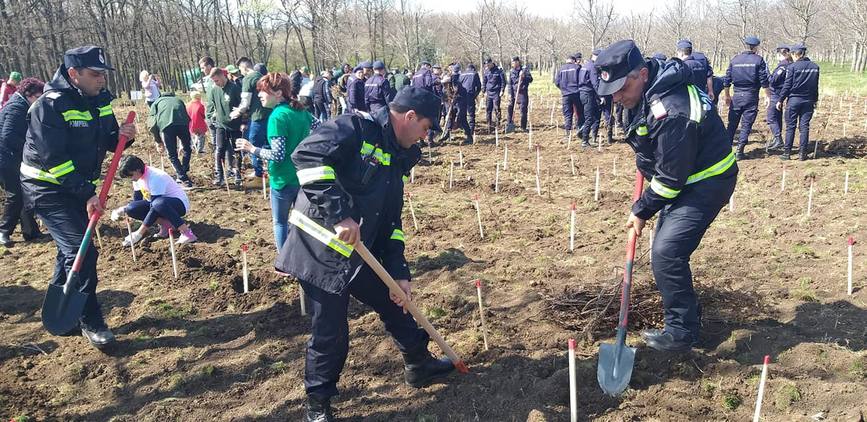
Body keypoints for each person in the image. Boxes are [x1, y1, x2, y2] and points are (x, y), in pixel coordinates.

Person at [274, 87, 453, 421]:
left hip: (360, 250)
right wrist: (338, 213)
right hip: (319, 249)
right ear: (410, 117)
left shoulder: (397, 155)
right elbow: (307, 156)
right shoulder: (354, 128)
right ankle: (318, 404)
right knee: (331, 332)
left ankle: (418, 364)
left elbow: (391, 220)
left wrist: (399, 271)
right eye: (426, 128)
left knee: (396, 299)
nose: (425, 137)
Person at [596, 39, 737, 352]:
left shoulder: (672, 112)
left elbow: (672, 180)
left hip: (706, 182)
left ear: (642, 74)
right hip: (684, 176)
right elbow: (653, 146)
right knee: (667, 251)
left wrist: (641, 209)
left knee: (667, 253)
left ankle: (682, 333)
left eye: (622, 88)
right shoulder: (650, 91)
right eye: (612, 91)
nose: (617, 97)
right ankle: (688, 315)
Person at [21, 46, 137, 347]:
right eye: (95, 74)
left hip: (78, 185)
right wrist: (87, 193)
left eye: (103, 74)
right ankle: (90, 320)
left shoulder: (99, 101)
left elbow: (111, 141)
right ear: (73, 74)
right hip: (46, 187)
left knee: (69, 249)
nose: (102, 80)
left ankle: (65, 310)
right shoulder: (49, 105)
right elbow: (53, 158)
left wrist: (125, 135)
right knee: (82, 252)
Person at [235, 72, 314, 249]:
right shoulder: (301, 111)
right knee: (301, 221)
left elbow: (278, 155)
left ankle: (284, 263)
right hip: (302, 176)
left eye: (263, 91)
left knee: (280, 222)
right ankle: (300, 256)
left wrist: (252, 149)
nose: (259, 95)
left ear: (278, 93)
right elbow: (319, 129)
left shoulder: (278, 117)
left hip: (282, 179)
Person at [111, 155, 196, 245]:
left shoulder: (155, 177)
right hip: (158, 204)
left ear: (137, 170)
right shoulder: (138, 178)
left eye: (131, 175)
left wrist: (139, 233)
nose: (131, 179)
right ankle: (167, 225)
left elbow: (155, 207)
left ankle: (187, 233)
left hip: (179, 205)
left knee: (158, 203)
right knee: (131, 208)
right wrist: (123, 210)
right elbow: (137, 201)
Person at [0, 77, 45, 246]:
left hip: (13, 158)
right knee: (15, 195)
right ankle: (4, 231)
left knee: (25, 194)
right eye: (38, 97)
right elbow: (8, 136)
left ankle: (30, 232)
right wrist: (30, 149)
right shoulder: (16, 108)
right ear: (29, 94)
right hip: (5, 159)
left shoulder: (21, 105)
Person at [723, 36, 770, 160]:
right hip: (751, 95)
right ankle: (739, 151)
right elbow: (763, 80)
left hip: (737, 95)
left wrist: (727, 95)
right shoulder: (758, 60)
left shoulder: (735, 60)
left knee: (732, 124)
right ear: (755, 47)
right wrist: (767, 95)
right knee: (746, 125)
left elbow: (727, 80)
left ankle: (726, 151)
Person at [776, 43, 820, 161]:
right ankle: (802, 153)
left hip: (794, 100)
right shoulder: (815, 67)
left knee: (790, 126)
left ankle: (787, 152)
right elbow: (815, 86)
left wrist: (780, 99)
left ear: (796, 54)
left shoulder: (792, 67)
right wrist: (815, 100)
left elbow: (787, 85)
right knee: (804, 126)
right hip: (808, 101)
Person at [233, 57, 271, 179]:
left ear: (244, 67)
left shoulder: (248, 79)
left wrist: (237, 112)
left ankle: (258, 172)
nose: (241, 72)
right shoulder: (264, 77)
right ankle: (271, 170)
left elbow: (245, 102)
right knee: (269, 143)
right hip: (270, 115)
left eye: (240, 69)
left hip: (257, 116)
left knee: (253, 144)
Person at [207, 67, 242, 186]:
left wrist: (243, 122)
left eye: (217, 80)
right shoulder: (214, 90)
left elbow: (242, 105)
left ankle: (237, 173)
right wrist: (211, 116)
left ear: (223, 76)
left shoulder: (235, 88)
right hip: (220, 124)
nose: (216, 83)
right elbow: (211, 106)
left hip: (235, 125)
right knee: (219, 149)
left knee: (236, 149)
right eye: (214, 81)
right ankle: (219, 175)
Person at [149, 92, 193, 187]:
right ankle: (183, 171)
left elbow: (152, 124)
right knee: (187, 149)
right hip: (183, 125)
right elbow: (187, 117)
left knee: (172, 154)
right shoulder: (178, 100)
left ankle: (182, 176)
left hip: (167, 127)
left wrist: (158, 141)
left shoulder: (156, 102)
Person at [765, 44, 792, 152]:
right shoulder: (790, 64)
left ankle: (778, 139)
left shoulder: (783, 66)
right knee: (777, 116)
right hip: (781, 93)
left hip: (776, 93)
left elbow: (773, 80)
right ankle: (777, 138)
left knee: (771, 117)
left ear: (782, 54)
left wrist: (766, 72)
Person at [555, 53, 582, 140]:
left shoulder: (561, 69)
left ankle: (568, 133)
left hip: (565, 94)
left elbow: (557, 82)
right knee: (579, 113)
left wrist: (563, 89)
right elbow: (581, 80)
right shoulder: (577, 68)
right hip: (576, 93)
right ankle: (579, 131)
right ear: (574, 61)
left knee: (567, 114)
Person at [577, 52, 599, 146]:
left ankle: (582, 130)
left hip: (582, 93)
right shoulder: (592, 67)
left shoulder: (585, 66)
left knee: (591, 116)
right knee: (589, 117)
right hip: (588, 93)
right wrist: (601, 95)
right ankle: (585, 140)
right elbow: (595, 83)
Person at [506, 56, 532, 133]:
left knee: (523, 110)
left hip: (522, 93)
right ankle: (509, 124)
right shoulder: (511, 71)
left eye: (513, 62)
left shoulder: (524, 70)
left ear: (517, 62)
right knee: (510, 109)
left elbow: (530, 79)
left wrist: (524, 77)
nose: (512, 64)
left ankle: (523, 127)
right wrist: (510, 94)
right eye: (512, 62)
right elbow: (510, 84)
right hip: (514, 93)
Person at [482, 58, 505, 132]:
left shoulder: (498, 71)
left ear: (492, 63)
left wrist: (502, 90)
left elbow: (503, 82)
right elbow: (484, 82)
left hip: (496, 93)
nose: (487, 66)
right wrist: (483, 91)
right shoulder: (486, 71)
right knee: (488, 109)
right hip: (489, 93)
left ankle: (497, 124)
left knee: (496, 108)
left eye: (488, 64)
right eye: (486, 65)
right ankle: (489, 125)